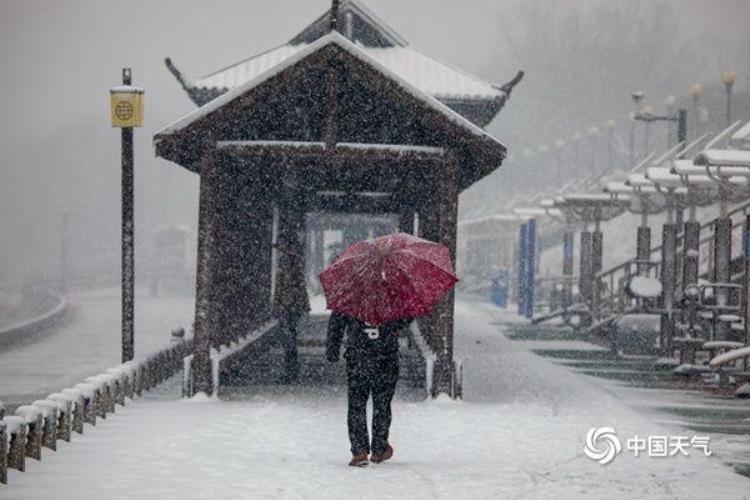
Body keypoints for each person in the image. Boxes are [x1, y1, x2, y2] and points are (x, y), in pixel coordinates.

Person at [326, 311, 412, 467]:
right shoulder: (392, 295)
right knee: (382, 404)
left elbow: (337, 322)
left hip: (358, 358)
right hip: (386, 358)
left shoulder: (351, 294)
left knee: (356, 405)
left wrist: (333, 349)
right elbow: (406, 316)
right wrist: (395, 326)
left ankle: (359, 450)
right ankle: (379, 448)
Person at [273, 243, 310, 384]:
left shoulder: (288, 263)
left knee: (288, 340)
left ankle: (291, 371)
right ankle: (292, 370)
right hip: (293, 307)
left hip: (288, 307)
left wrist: (281, 304)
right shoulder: (295, 263)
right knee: (290, 339)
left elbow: (285, 286)